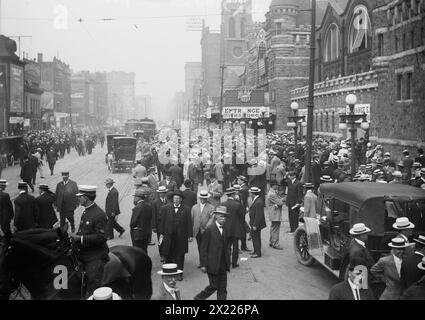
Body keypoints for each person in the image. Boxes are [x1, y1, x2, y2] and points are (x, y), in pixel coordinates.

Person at [73, 185, 109, 298]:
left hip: (96, 254)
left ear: (86, 198)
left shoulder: (99, 214)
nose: (78, 199)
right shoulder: (86, 212)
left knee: (92, 285)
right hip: (84, 252)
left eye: (80, 197)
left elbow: (102, 237)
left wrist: (81, 239)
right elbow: (84, 231)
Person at [194, 206, 231, 301]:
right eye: (221, 216)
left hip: (223, 263)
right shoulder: (209, 229)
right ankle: (198, 298)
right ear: (216, 216)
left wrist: (228, 260)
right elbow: (203, 248)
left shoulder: (226, 229)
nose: (223, 219)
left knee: (223, 287)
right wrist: (203, 264)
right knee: (214, 286)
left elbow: (226, 246)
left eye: (225, 217)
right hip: (212, 264)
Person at [159, 190, 193, 280]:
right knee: (168, 255)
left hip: (181, 237)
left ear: (181, 199)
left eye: (178, 198)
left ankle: (179, 274)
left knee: (180, 256)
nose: (176, 200)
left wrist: (190, 235)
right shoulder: (165, 208)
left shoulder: (186, 209)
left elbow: (189, 223)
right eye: (175, 198)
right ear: (172, 199)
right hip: (169, 236)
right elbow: (162, 222)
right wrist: (161, 234)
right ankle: (168, 274)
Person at [221, 187, 245, 268]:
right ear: (233, 194)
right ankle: (234, 263)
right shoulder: (237, 204)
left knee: (227, 246)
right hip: (236, 228)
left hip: (226, 229)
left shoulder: (223, 204)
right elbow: (242, 217)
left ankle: (227, 262)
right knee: (235, 247)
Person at [191, 190, 215, 268]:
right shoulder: (194, 207)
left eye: (204, 198)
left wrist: (207, 226)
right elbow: (191, 219)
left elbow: (212, 218)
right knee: (200, 246)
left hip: (206, 230)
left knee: (206, 247)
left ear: (206, 199)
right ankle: (202, 262)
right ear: (199, 198)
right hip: (197, 230)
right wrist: (191, 230)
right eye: (201, 198)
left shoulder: (211, 207)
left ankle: (206, 262)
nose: (202, 200)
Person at [130, 189, 152, 254]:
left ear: (138, 197)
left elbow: (133, 222)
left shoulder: (137, 207)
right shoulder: (149, 206)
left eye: (135, 197)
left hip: (138, 235)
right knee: (144, 250)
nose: (134, 198)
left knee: (138, 252)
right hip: (146, 233)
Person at [152, 186, 169, 262]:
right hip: (159, 225)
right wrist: (154, 226)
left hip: (168, 225)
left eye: (163, 193)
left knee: (168, 240)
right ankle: (162, 254)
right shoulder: (155, 202)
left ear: (165, 193)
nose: (162, 194)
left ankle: (167, 254)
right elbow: (153, 215)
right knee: (160, 239)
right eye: (161, 193)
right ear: (159, 193)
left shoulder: (168, 201)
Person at [266, 181, 284, 250]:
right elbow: (280, 203)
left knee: (273, 228)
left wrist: (279, 200)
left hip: (273, 213)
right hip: (275, 213)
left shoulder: (272, 192)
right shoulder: (272, 194)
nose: (278, 186)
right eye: (277, 185)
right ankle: (275, 243)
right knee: (276, 229)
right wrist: (281, 200)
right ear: (273, 185)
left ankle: (271, 242)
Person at [248, 187, 266, 258]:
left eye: (250, 192)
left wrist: (255, 225)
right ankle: (256, 250)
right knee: (254, 237)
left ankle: (258, 253)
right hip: (254, 222)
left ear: (253, 193)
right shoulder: (256, 200)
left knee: (256, 238)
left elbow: (258, 215)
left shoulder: (258, 202)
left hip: (256, 223)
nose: (249, 193)